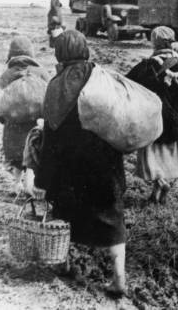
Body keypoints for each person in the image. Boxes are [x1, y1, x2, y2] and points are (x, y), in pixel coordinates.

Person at [31, 30, 128, 297]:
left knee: (65, 214)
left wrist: (44, 177)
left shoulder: (56, 85)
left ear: (60, 53)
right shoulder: (102, 78)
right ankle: (119, 279)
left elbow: (51, 135)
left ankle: (62, 263)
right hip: (105, 164)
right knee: (112, 218)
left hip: (69, 169)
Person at [127, 26, 178, 204]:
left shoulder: (146, 66)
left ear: (154, 42)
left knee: (151, 157)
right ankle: (157, 190)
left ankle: (160, 182)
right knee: (166, 157)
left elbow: (128, 86)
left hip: (152, 121)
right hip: (174, 121)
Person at [0, 38, 49, 185]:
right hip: (35, 123)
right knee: (33, 153)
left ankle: (16, 183)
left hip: (14, 125)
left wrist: (3, 118)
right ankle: (30, 183)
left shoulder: (7, 74)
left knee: (17, 158)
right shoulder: (41, 72)